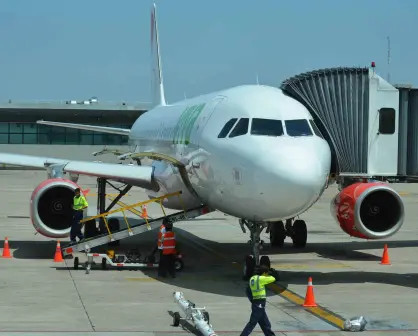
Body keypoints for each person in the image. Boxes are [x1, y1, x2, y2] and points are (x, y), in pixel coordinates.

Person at [240, 265, 276, 336]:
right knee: (252, 322)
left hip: (256, 302)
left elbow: (248, 291)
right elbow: (273, 279)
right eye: (267, 273)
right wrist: (272, 273)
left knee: (265, 322)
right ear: (264, 273)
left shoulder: (252, 278)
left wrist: (252, 301)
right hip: (260, 303)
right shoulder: (261, 279)